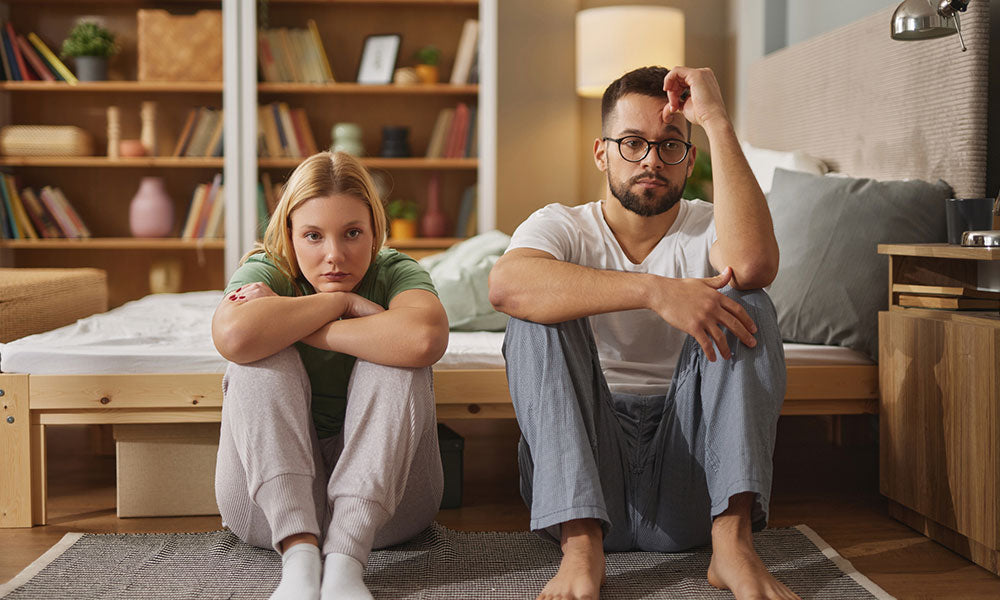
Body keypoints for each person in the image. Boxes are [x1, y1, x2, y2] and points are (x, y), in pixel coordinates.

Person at [489, 66, 799, 600]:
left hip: (693, 477)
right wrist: (655, 290)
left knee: (747, 298)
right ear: (602, 153)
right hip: (586, 471)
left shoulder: (710, 226)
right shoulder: (561, 224)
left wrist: (716, 119)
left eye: (670, 145)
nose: (651, 160)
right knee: (533, 312)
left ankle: (732, 545)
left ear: (689, 160)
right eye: (632, 143)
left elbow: (753, 265)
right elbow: (506, 286)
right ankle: (581, 549)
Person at [211, 151, 449, 600]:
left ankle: (344, 565)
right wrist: (341, 303)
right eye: (313, 236)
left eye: (353, 233)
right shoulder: (266, 269)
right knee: (258, 359)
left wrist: (302, 321)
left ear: (376, 232)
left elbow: (423, 339)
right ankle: (299, 561)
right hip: (265, 515)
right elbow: (235, 337)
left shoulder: (396, 271)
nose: (334, 256)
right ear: (289, 235)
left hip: (386, 515)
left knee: (397, 358)